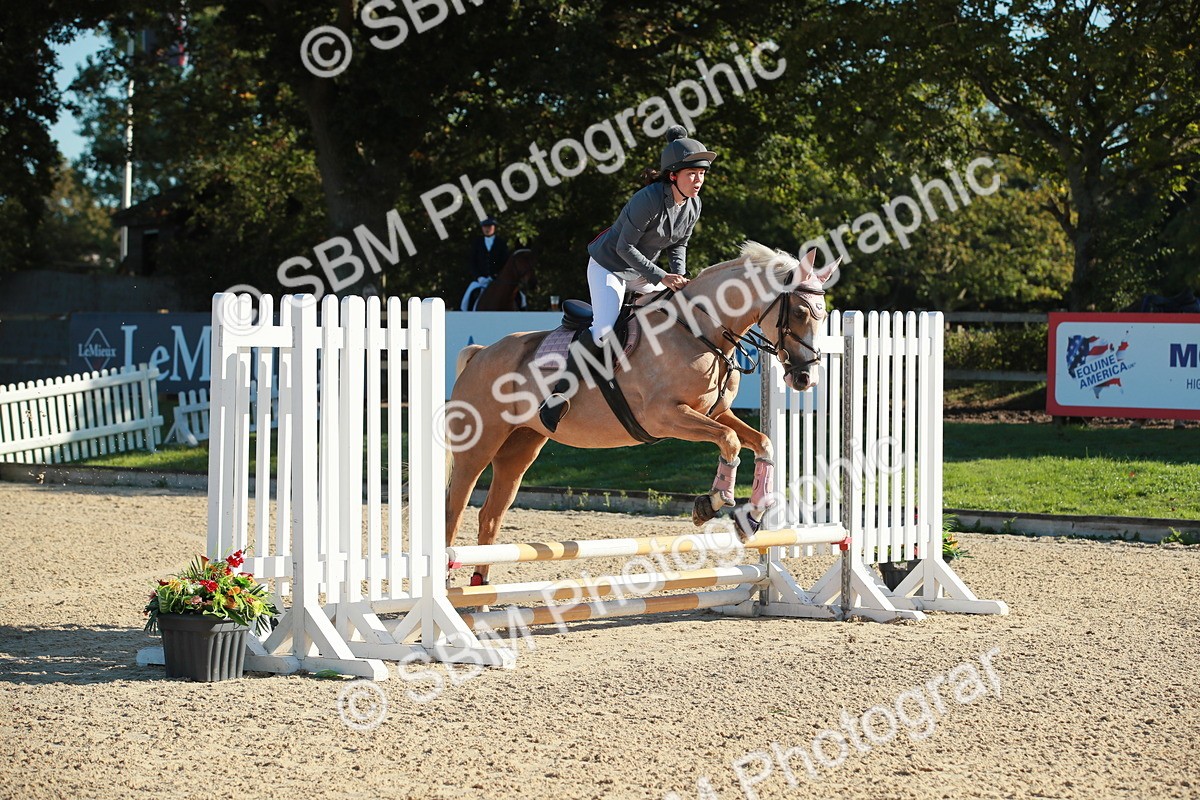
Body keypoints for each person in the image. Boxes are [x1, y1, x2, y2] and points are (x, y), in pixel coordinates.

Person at [583, 125, 715, 347]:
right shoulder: (648, 199)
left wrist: (679, 276)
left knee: (679, 310)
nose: (698, 180)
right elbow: (624, 248)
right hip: (610, 266)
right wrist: (664, 277)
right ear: (673, 176)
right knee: (604, 333)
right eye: (691, 174)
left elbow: (679, 244)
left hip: (642, 274)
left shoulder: (694, 204)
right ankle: (569, 379)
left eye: (701, 174)